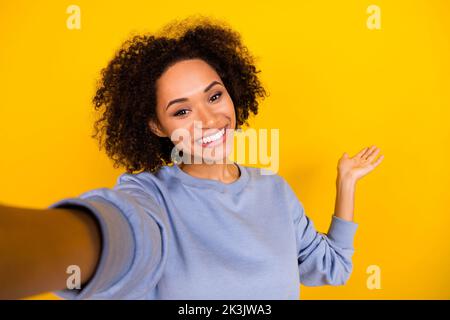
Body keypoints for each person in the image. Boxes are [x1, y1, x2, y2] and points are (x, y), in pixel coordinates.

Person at [0, 16, 384, 300]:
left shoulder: (275, 192)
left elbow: (332, 268)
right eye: (181, 111)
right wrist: (55, 246)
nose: (209, 118)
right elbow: (121, 235)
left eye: (214, 96)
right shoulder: (148, 198)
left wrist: (346, 183)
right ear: (156, 126)